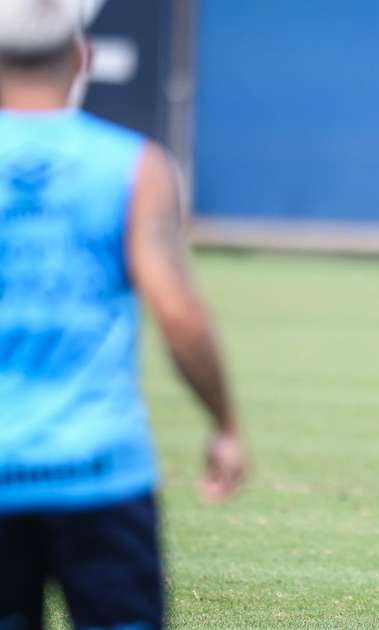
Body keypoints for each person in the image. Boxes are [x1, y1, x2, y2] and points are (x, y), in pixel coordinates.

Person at [0, 1, 247, 628]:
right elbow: (179, 315)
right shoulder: (135, 166)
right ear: (80, 59)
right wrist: (223, 423)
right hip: (101, 472)